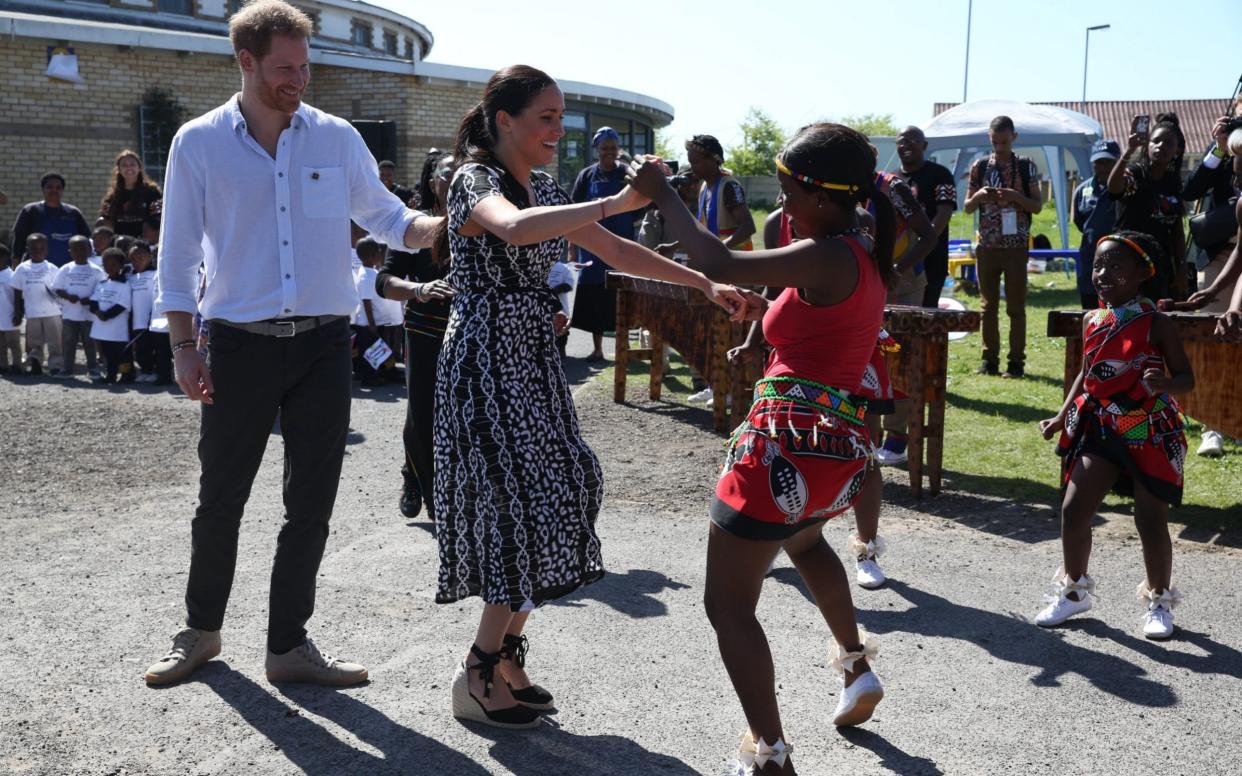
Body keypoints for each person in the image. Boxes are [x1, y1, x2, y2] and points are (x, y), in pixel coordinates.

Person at [436, 64, 743, 731]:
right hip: (486, 359)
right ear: (505, 120)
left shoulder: (545, 186)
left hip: (533, 359)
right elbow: (514, 229)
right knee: (517, 504)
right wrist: (618, 201)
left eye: (560, 116)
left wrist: (703, 285)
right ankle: (480, 667)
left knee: (569, 484)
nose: (557, 128)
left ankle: (509, 655)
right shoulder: (473, 180)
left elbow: (611, 251)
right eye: (545, 117)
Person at [144, 0, 441, 688]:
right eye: (284, 68)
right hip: (239, 345)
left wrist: (443, 226)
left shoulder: (335, 138)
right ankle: (200, 633)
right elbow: (179, 249)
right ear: (245, 62)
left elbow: (387, 216)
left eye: (305, 67)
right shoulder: (198, 142)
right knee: (221, 498)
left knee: (311, 503)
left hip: (324, 346)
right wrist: (184, 346)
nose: (298, 80)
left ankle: (288, 647)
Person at [629, 122, 892, 775]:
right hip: (831, 459)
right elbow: (809, 319)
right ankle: (856, 667)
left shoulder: (826, 252)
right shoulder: (854, 251)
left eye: (789, 192)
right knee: (804, 543)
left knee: (727, 606)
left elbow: (716, 262)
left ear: (823, 196)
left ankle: (771, 755)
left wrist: (665, 195)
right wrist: (762, 316)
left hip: (781, 454)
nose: (783, 206)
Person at [1036, 231, 1192, 639]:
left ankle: (1159, 600)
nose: (1103, 274)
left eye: (1116, 266)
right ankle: (1074, 592)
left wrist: (1165, 384)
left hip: (1149, 429)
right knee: (1074, 509)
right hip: (1102, 425)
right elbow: (1087, 376)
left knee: (1149, 520)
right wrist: (1060, 415)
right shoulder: (1093, 320)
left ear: (1143, 274)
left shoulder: (1156, 322)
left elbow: (1187, 378)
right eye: (1099, 265)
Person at [377, 150, 456, 519]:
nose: (456, 181)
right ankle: (416, 479)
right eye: (447, 174)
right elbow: (384, 280)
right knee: (424, 413)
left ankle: (457, 490)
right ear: (432, 183)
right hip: (426, 330)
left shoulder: (489, 220)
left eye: (463, 173)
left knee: (465, 414)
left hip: (473, 332)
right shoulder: (414, 225)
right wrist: (419, 290)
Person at [964, 115, 1043, 378]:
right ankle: (989, 361)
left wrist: (1015, 197)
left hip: (1016, 246)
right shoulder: (980, 166)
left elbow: (1037, 206)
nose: (999, 147)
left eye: (1004, 142)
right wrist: (979, 196)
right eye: (995, 142)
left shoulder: (1026, 166)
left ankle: (1016, 363)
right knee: (988, 306)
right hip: (987, 245)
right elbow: (967, 207)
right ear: (989, 139)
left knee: (1015, 307)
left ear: (1014, 138)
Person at [1181, 117, 1241, 458]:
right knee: (1213, 337)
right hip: (1220, 256)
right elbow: (1191, 190)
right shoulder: (1226, 151)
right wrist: (1220, 146)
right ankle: (1212, 427)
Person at [569, 126, 638, 361]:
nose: (609, 152)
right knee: (595, 300)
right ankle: (597, 349)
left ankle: (623, 348)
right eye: (604, 148)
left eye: (613, 148)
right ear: (596, 150)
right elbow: (572, 212)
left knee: (622, 298)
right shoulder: (586, 176)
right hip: (591, 250)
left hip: (621, 245)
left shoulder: (625, 175)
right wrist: (571, 251)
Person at [1108, 113, 1187, 301]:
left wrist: (1182, 268)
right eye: (1156, 141)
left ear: (1177, 151)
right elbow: (1114, 188)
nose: (1161, 146)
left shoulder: (1173, 183)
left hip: (1158, 264)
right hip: (1128, 260)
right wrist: (1128, 151)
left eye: (1168, 143)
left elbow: (1177, 231)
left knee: (1154, 319)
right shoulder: (1136, 174)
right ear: (1148, 145)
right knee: (1121, 317)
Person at [894, 126, 957, 308]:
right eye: (901, 141)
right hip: (899, 262)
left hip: (931, 260)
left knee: (926, 317)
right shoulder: (892, 178)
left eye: (913, 141)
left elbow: (943, 215)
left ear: (925, 145)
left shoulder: (940, 174)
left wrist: (921, 247)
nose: (906, 145)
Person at [1071, 140, 1122, 310]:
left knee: (1118, 315)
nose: (1103, 167)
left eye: (1108, 162)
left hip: (1120, 262)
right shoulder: (1082, 191)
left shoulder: (1127, 188)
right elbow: (1079, 222)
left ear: (1118, 161)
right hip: (1091, 262)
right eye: (1099, 162)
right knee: (1091, 314)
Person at [10, 173, 91, 268]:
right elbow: (19, 242)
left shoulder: (73, 213)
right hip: (36, 273)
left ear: (62, 191)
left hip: (68, 272)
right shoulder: (30, 211)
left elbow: (87, 241)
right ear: (43, 189)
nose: (54, 190)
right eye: (50, 187)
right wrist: (15, 264)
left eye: (58, 188)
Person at [9, 233, 63, 375]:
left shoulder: (52, 268)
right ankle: (35, 362)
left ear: (47, 250)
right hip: (32, 312)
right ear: (28, 249)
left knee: (55, 341)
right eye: (34, 247)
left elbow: (59, 289)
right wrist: (17, 310)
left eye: (41, 247)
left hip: (52, 312)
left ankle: (55, 365)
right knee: (34, 341)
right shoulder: (22, 268)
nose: (38, 250)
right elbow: (17, 290)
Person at [52, 235, 104, 378]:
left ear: (90, 250)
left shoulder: (96, 270)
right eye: (75, 249)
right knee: (69, 341)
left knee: (89, 342)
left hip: (88, 315)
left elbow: (102, 289)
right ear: (70, 252)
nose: (79, 252)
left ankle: (93, 368)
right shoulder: (65, 269)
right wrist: (68, 296)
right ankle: (68, 368)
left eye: (83, 248)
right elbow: (57, 288)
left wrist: (91, 299)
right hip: (70, 314)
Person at [89, 247, 133, 384]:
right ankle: (111, 375)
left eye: (113, 264)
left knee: (122, 353)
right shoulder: (102, 283)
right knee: (107, 353)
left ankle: (127, 375)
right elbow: (93, 301)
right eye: (106, 264)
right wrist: (97, 312)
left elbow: (123, 305)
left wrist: (106, 315)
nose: (110, 267)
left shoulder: (125, 285)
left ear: (121, 265)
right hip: (102, 327)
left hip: (117, 327)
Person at [99, 150, 163, 238]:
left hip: (145, 244)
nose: (129, 168)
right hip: (120, 244)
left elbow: (159, 218)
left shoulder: (152, 192)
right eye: (124, 165)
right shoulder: (111, 196)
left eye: (132, 164)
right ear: (119, 170)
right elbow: (105, 221)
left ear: (139, 168)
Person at [352, 236, 388, 387]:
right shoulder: (367, 276)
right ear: (373, 256)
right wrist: (372, 324)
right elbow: (367, 301)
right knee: (369, 351)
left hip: (370, 322)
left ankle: (373, 374)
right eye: (379, 252)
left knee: (373, 350)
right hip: (368, 323)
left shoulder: (370, 271)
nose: (381, 255)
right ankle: (369, 377)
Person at [127, 242, 157, 383]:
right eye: (133, 259)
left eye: (140, 258)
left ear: (149, 257)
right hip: (136, 321)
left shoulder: (155, 275)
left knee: (153, 348)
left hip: (151, 320)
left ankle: (154, 371)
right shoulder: (130, 277)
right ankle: (145, 370)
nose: (136, 262)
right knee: (140, 349)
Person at [0, 245, 21, 375]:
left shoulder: (12, 275)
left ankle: (17, 365)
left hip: (10, 316)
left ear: (4, 258)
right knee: (0, 344)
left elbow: (18, 296)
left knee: (14, 343)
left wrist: (18, 313)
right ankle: (2, 364)